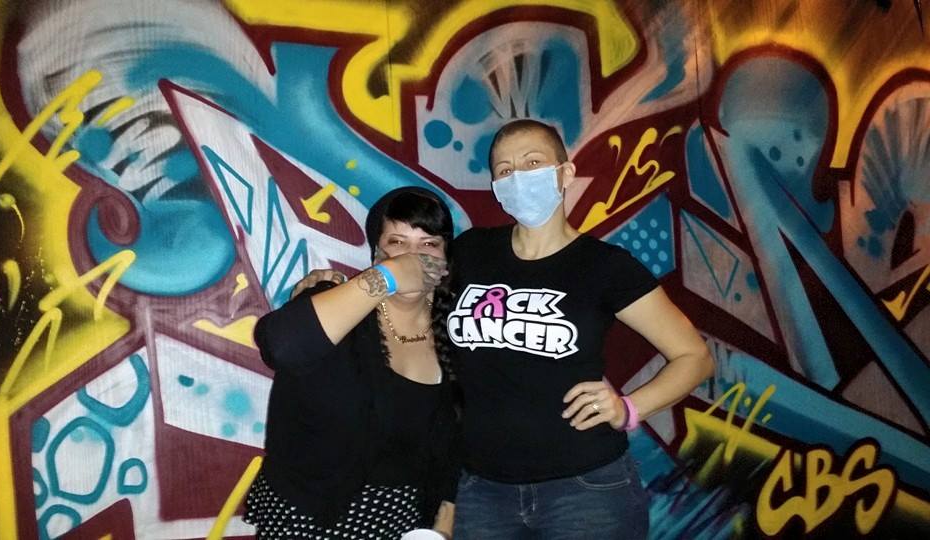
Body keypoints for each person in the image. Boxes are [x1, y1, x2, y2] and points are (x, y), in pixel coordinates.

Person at [448, 119, 715, 539]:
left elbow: (694, 357)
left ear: (565, 172)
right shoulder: (471, 251)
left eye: (532, 163)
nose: (518, 177)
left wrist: (629, 409)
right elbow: (415, 296)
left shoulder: (605, 266)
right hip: (482, 490)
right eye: (505, 170)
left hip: (585, 490)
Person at [244, 187, 459, 539]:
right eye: (397, 243)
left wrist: (445, 522)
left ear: (446, 258)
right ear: (376, 254)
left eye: (429, 244)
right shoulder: (334, 306)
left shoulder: (456, 331)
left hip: (406, 525)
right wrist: (389, 276)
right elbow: (280, 345)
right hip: (310, 518)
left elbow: (457, 441)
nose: (413, 258)